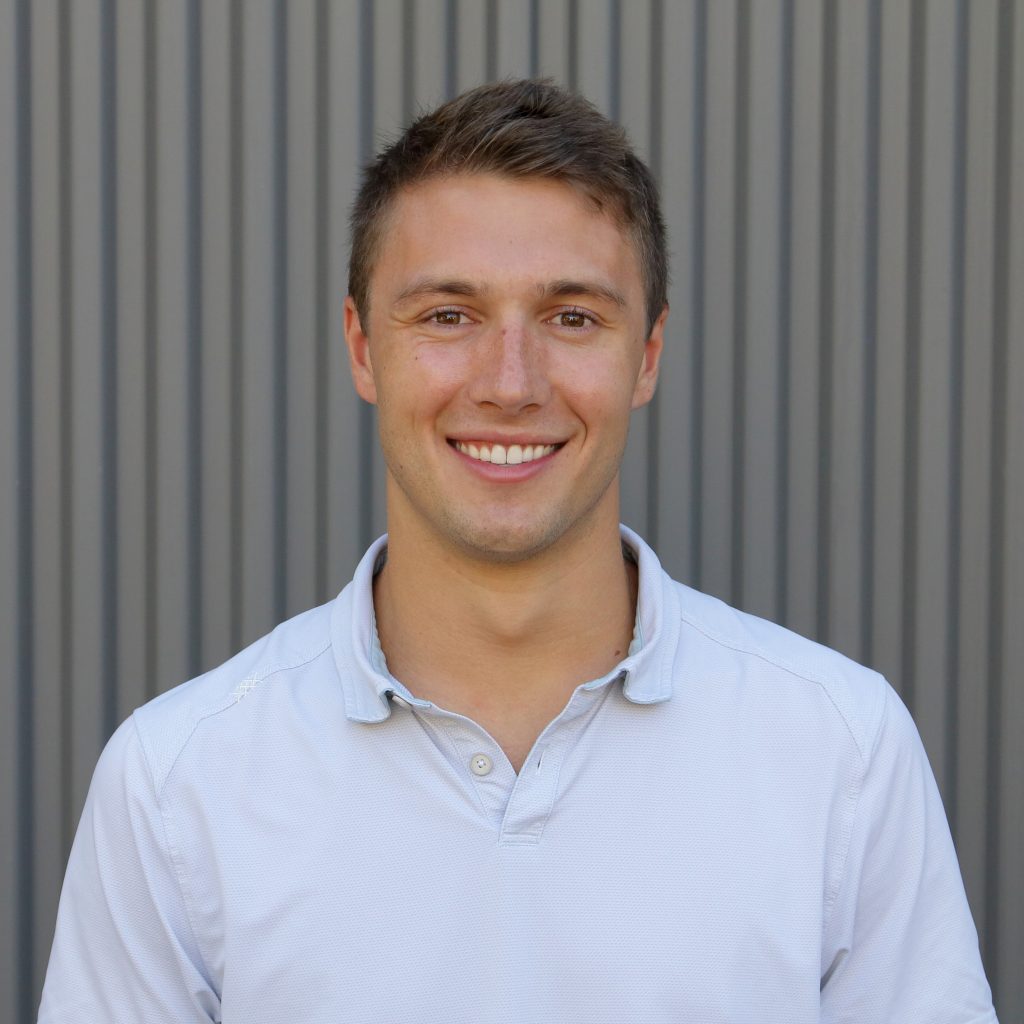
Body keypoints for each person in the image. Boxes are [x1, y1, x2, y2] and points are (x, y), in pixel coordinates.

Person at [39, 79, 996, 1024]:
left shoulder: (840, 753)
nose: (509, 383)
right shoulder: (177, 786)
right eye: (448, 315)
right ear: (364, 348)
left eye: (572, 317)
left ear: (648, 355)